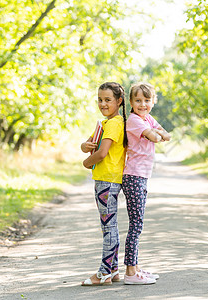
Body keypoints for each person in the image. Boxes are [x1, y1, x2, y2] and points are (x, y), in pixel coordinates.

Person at [122, 82, 171, 285]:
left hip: (142, 177)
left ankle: (135, 267)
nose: (143, 104)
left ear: (153, 102)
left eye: (147, 100)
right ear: (131, 103)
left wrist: (157, 133)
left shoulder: (146, 118)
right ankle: (130, 273)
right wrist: (156, 133)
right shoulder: (134, 121)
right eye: (138, 101)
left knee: (138, 223)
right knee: (136, 224)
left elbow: (165, 135)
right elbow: (155, 136)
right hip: (133, 176)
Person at [80, 82, 128, 286]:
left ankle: (104, 273)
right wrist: (84, 146)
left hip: (107, 180)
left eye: (108, 100)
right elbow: (91, 145)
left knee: (109, 227)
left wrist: (86, 163)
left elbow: (101, 153)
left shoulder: (115, 123)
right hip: (105, 180)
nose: (102, 103)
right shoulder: (105, 123)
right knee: (109, 226)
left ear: (119, 101)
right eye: (100, 99)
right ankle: (114, 270)